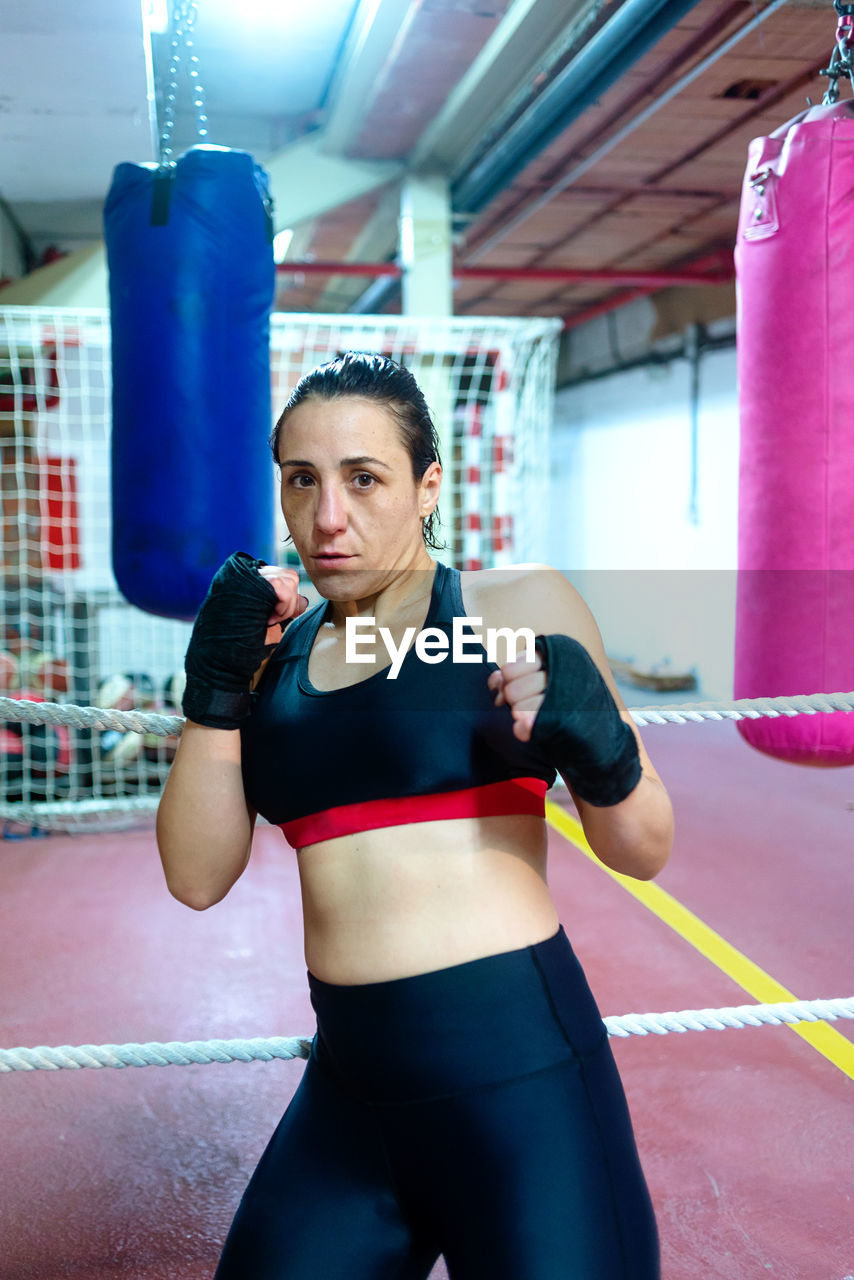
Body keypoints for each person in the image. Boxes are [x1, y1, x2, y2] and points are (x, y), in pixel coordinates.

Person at [156, 352, 674, 1280]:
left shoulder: (511, 606)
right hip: (350, 1100)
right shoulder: (277, 657)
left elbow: (643, 848)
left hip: (521, 1089)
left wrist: (604, 747)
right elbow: (197, 878)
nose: (328, 518)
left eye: (364, 479)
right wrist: (214, 690)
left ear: (427, 484)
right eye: (301, 480)